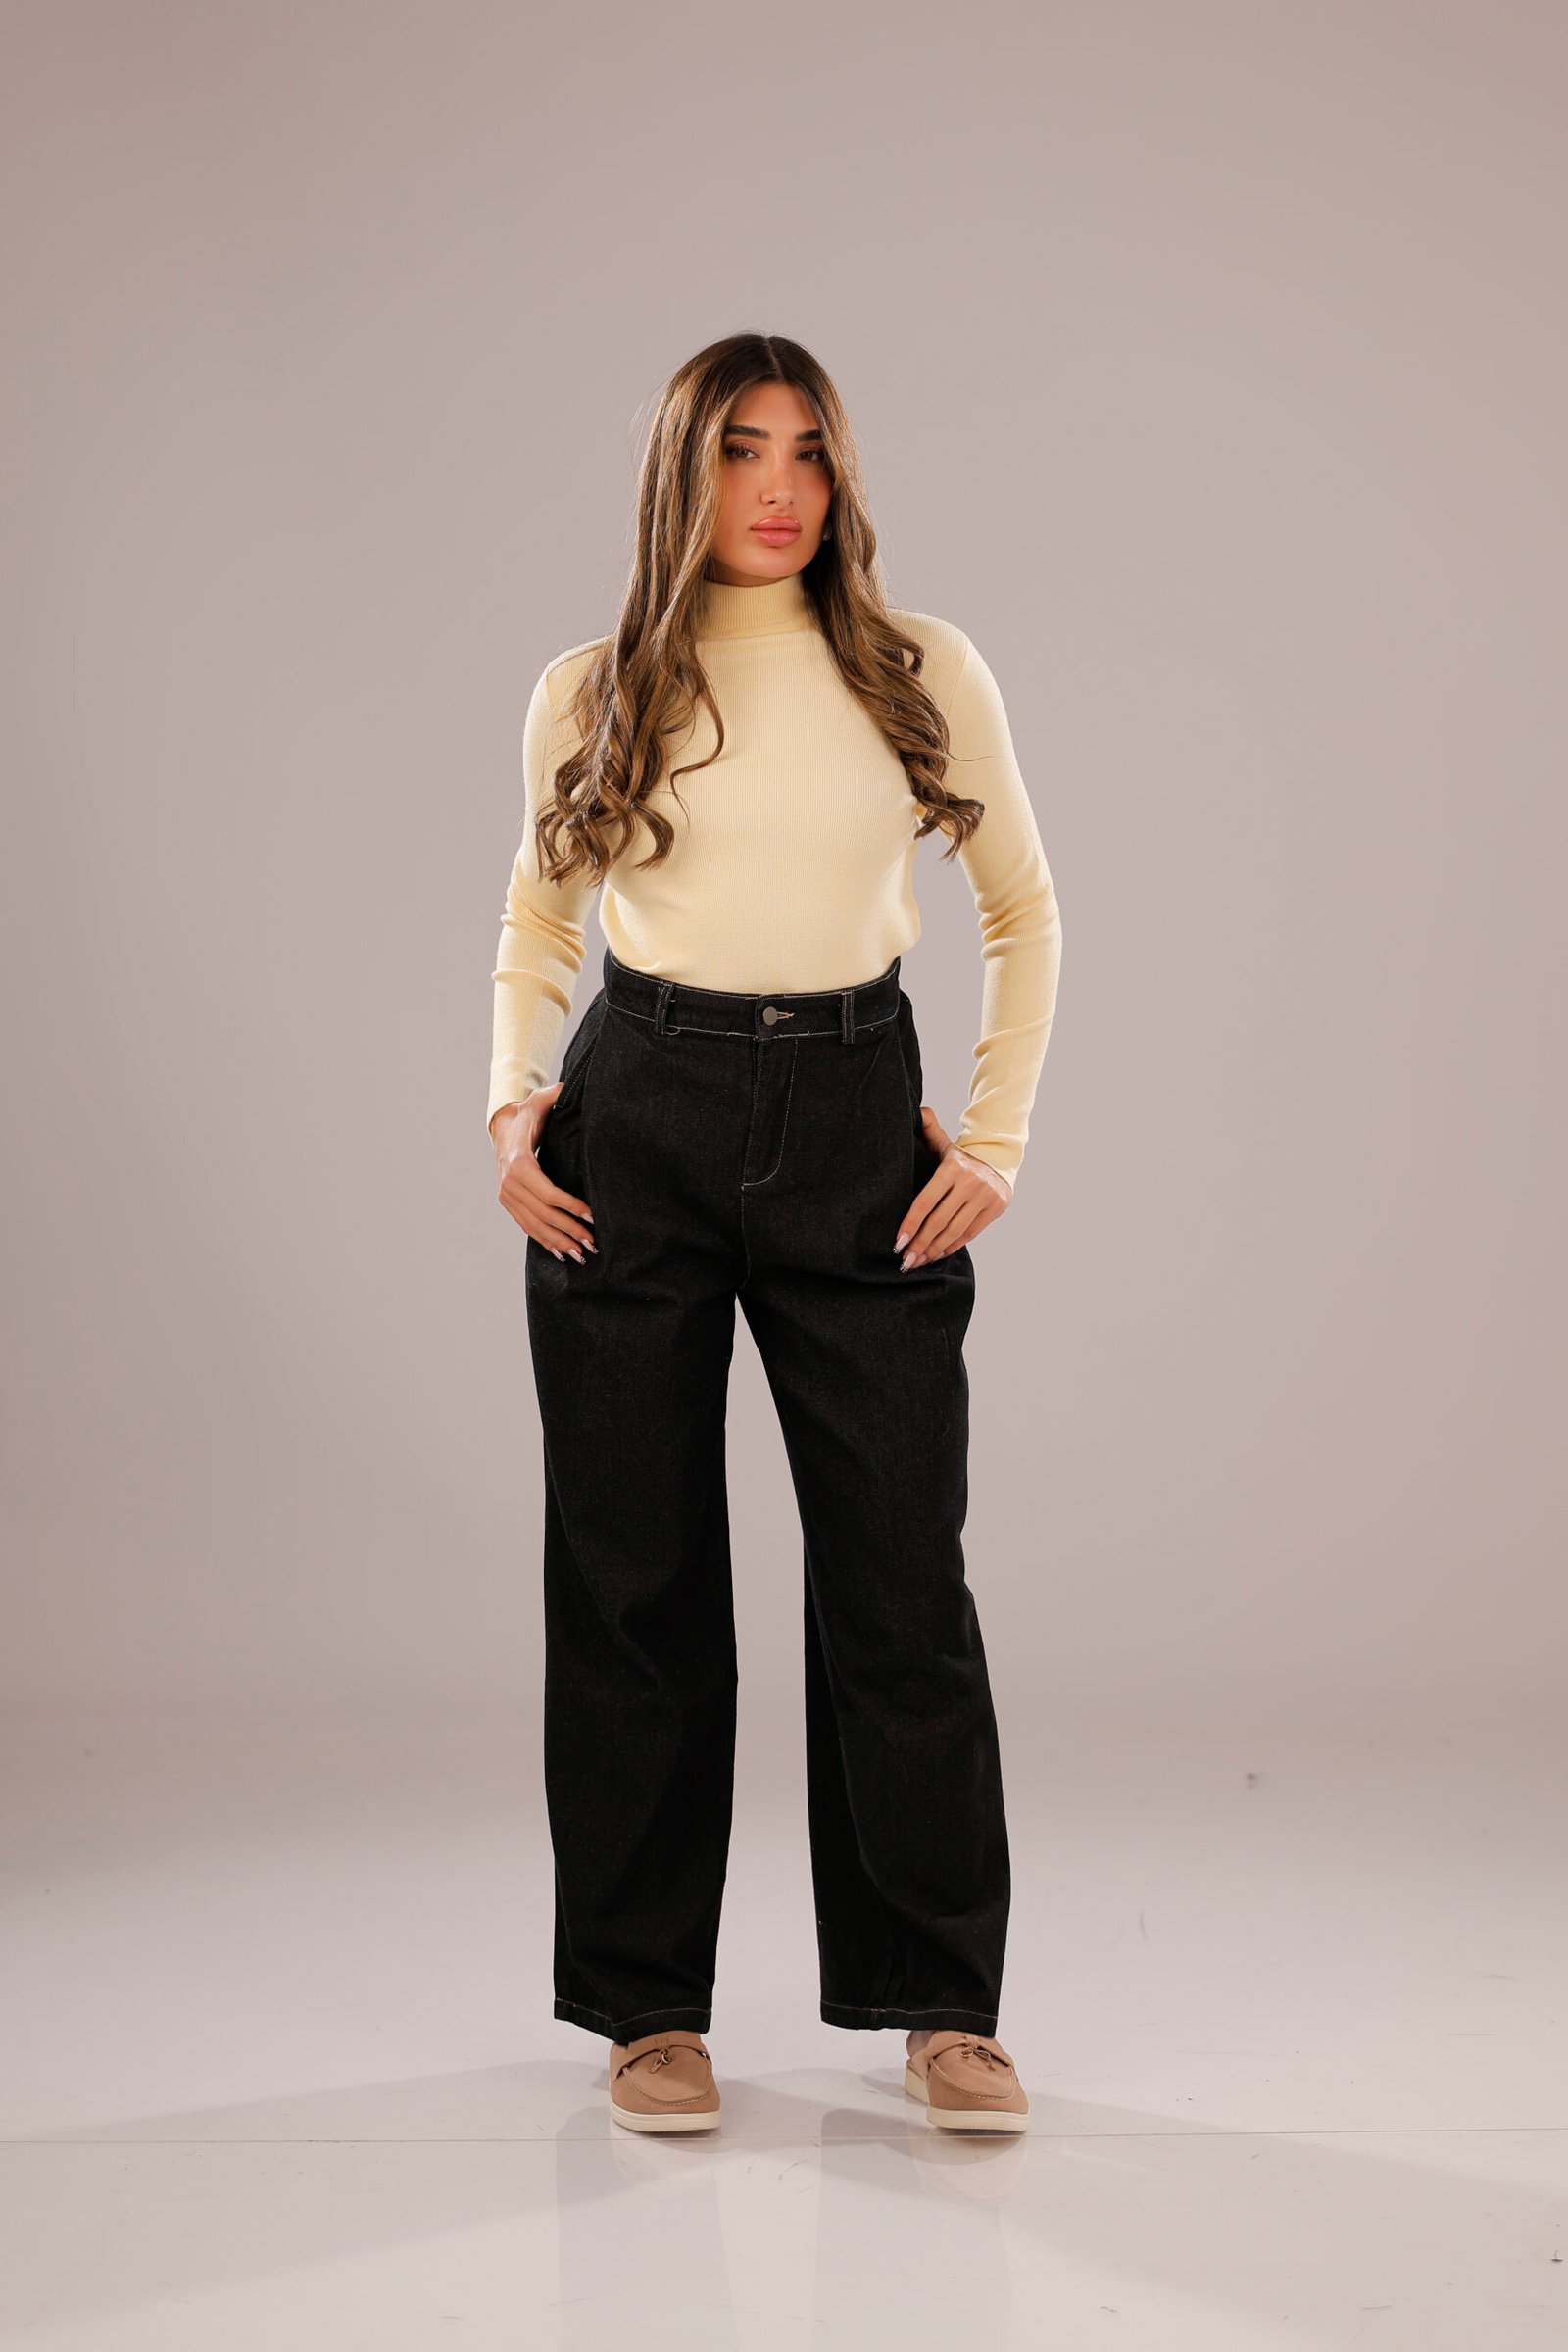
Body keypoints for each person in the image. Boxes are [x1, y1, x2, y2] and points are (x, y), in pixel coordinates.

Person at [486, 331, 1062, 2136]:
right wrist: (509, 1106)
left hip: (853, 1116)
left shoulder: (917, 670)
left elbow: (1026, 910)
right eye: (743, 449)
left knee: (900, 1575)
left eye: (810, 450)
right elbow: (540, 918)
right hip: (636, 1121)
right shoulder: (595, 688)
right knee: (635, 1583)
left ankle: (943, 2002)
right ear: (686, 473)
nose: (780, 486)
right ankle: (648, 2009)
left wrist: (994, 1139)